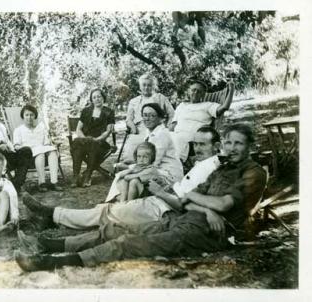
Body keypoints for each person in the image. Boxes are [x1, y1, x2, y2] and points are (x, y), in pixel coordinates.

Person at [15, 123, 267, 271]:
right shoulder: (223, 168)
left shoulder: (253, 172)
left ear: (250, 146)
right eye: (230, 143)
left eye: (239, 144)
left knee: (126, 243)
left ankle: (47, 263)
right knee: (111, 230)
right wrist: (206, 207)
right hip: (184, 218)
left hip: (206, 235)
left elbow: (221, 203)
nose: (232, 148)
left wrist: (199, 201)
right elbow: (193, 201)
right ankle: (47, 245)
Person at [20, 126, 222, 232]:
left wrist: (162, 192)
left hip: (164, 208)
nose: (197, 149)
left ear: (216, 145)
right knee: (110, 210)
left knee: (108, 212)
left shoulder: (213, 167)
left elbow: (185, 203)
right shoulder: (204, 163)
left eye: (203, 145)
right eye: (195, 144)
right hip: (163, 196)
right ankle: (52, 218)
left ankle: (52, 214)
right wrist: (167, 186)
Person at [170, 79, 234, 162]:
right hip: (176, 136)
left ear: (203, 94)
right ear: (189, 92)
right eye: (193, 90)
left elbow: (225, 107)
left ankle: (176, 164)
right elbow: (173, 125)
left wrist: (231, 89)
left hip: (193, 140)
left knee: (175, 140)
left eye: (199, 91)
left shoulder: (208, 105)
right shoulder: (181, 106)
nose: (195, 93)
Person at [123, 74, 175, 161]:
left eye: (149, 85)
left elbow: (172, 114)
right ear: (140, 86)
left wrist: (168, 127)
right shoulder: (134, 101)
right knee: (130, 152)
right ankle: (133, 169)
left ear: (154, 86)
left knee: (153, 150)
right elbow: (129, 119)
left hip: (157, 129)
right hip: (139, 130)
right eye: (144, 85)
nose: (146, 87)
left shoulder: (161, 98)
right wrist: (133, 128)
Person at [71, 88, 115, 187]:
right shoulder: (86, 111)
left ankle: (88, 176)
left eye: (99, 96)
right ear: (91, 99)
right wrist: (85, 139)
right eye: (94, 97)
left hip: (100, 142)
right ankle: (76, 176)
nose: (97, 99)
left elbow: (108, 131)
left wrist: (96, 139)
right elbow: (78, 129)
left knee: (93, 145)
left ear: (103, 97)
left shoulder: (109, 112)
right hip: (85, 140)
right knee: (76, 145)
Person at [131, 103, 183, 186]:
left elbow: (153, 162)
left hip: (169, 174)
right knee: (125, 176)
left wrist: (130, 168)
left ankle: (123, 198)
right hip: (157, 170)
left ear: (160, 118)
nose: (147, 119)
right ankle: (122, 199)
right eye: (145, 115)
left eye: (152, 116)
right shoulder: (149, 132)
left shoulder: (161, 134)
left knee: (130, 177)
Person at [13, 105, 63, 192]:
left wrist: (48, 143)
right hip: (29, 156)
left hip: (43, 151)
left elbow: (47, 143)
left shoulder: (41, 127)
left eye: (31, 115)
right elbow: (16, 146)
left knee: (52, 151)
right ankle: (42, 183)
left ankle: (54, 182)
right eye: (27, 115)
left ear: (35, 116)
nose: (29, 117)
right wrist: (27, 149)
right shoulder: (18, 130)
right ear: (23, 116)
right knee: (40, 154)